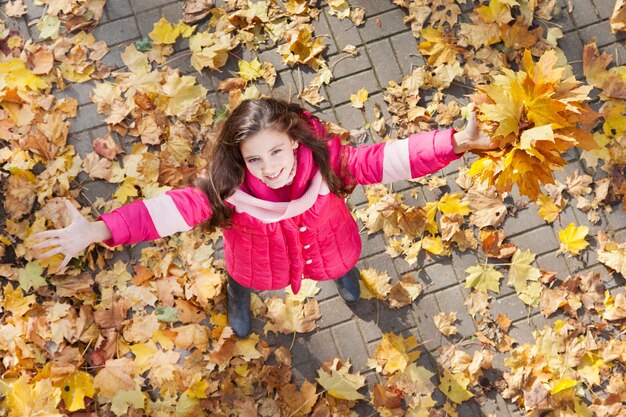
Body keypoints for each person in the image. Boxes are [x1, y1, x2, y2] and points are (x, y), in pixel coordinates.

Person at [33, 98, 494, 338]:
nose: (271, 168)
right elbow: (168, 210)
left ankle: (344, 276)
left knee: (341, 265)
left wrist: (453, 142)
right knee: (244, 281)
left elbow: (389, 157)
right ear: (240, 161)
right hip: (256, 261)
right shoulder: (226, 190)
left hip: (332, 245)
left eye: (276, 151)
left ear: (294, 140)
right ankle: (239, 299)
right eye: (255, 160)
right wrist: (100, 228)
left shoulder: (330, 163)